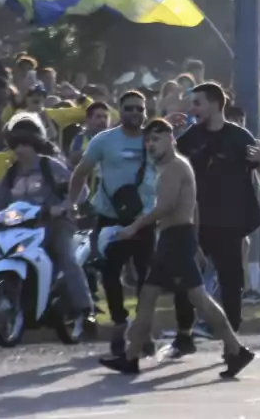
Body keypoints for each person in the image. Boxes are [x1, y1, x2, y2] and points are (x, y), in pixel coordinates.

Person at [99, 118, 255, 377]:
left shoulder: (173, 168)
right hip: (175, 240)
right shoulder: (175, 167)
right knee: (148, 297)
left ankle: (236, 350)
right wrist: (195, 245)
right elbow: (192, 207)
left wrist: (134, 228)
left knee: (200, 300)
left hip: (175, 242)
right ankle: (130, 357)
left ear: (171, 139)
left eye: (156, 139)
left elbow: (165, 207)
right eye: (147, 140)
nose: (150, 145)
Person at [69, 91, 193, 357]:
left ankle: (143, 332)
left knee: (145, 279)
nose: (135, 113)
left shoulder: (153, 141)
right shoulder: (104, 141)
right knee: (110, 274)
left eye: (140, 109)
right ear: (120, 111)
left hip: (144, 218)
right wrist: (72, 203)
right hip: (109, 217)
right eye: (129, 108)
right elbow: (81, 171)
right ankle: (119, 323)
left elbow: (173, 165)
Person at [175, 83, 260, 333]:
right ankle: (184, 335)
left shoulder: (239, 137)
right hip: (196, 221)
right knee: (183, 279)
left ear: (215, 104)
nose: (192, 108)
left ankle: (232, 339)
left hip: (230, 221)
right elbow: (168, 168)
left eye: (198, 103)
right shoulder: (190, 137)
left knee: (231, 283)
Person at [0, 114, 94, 317]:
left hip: (56, 222)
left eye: (25, 144)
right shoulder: (12, 172)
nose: (20, 149)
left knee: (64, 254)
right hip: (22, 225)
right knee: (2, 251)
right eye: (16, 144)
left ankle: (84, 306)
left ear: (35, 144)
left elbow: (81, 190)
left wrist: (64, 206)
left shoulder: (50, 165)